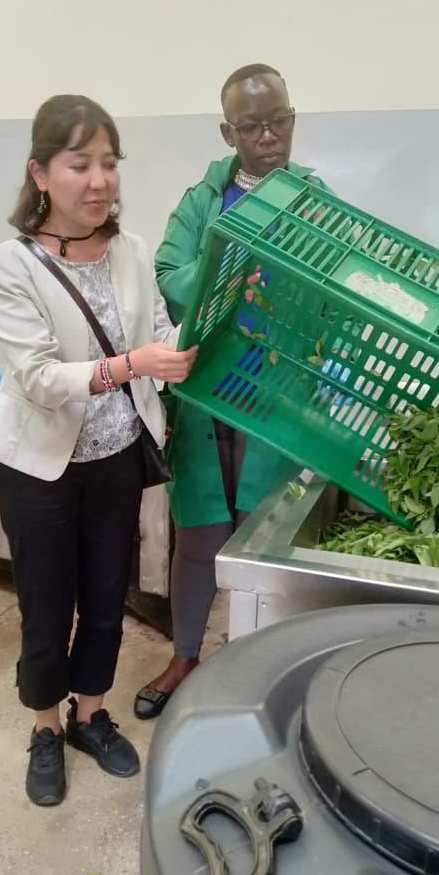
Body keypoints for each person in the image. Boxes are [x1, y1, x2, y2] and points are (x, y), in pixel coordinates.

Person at [0, 94, 197, 806]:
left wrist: (193, 335)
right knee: (47, 608)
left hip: (117, 459)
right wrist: (135, 364)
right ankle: (45, 727)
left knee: (106, 598)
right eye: (80, 164)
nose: (99, 180)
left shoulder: (133, 252)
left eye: (109, 163)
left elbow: (159, 333)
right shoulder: (9, 266)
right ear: (40, 173)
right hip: (40, 470)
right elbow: (40, 379)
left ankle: (90, 715)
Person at [134, 64, 333, 720]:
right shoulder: (203, 202)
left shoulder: (315, 201)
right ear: (228, 133)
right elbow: (169, 274)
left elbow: (337, 292)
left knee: (263, 539)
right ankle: (185, 655)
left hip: (278, 398)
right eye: (252, 127)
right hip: (206, 392)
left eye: (278, 121)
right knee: (199, 532)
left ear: (293, 120)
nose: (268, 136)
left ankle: (254, 670)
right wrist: (233, 261)